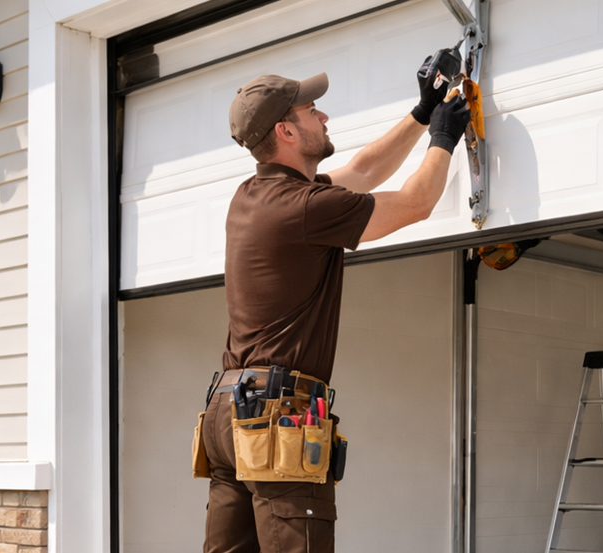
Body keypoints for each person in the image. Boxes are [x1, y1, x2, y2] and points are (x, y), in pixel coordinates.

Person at [199, 59, 471, 553]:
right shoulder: (305, 208)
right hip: (274, 414)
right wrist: (445, 135)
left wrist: (421, 111)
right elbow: (416, 202)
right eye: (311, 110)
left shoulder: (255, 195)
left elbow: (363, 170)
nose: (323, 117)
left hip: (226, 410)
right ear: (285, 130)